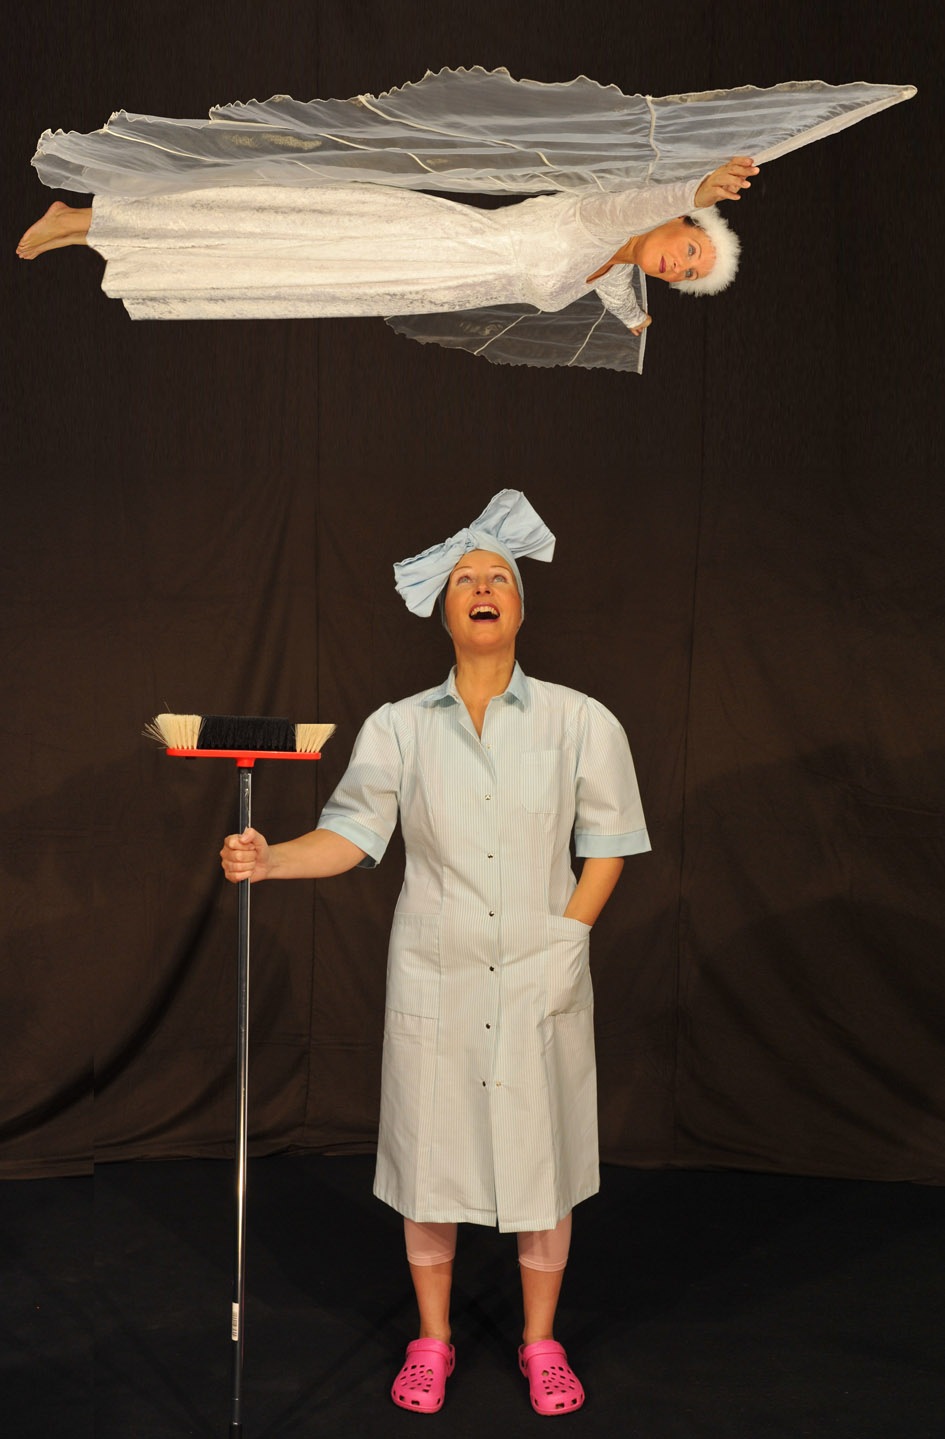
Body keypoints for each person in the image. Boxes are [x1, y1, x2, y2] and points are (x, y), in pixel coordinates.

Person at [219, 490, 651, 1414]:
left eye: (499, 577)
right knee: (430, 1160)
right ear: (443, 609)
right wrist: (272, 859)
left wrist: (567, 933)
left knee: (542, 1160)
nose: (483, 588)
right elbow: (352, 833)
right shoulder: (399, 726)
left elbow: (609, 843)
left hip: (539, 968)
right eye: (465, 579)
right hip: (436, 971)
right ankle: (432, 1338)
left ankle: (541, 1343)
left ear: (520, 606)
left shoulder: (580, 720)